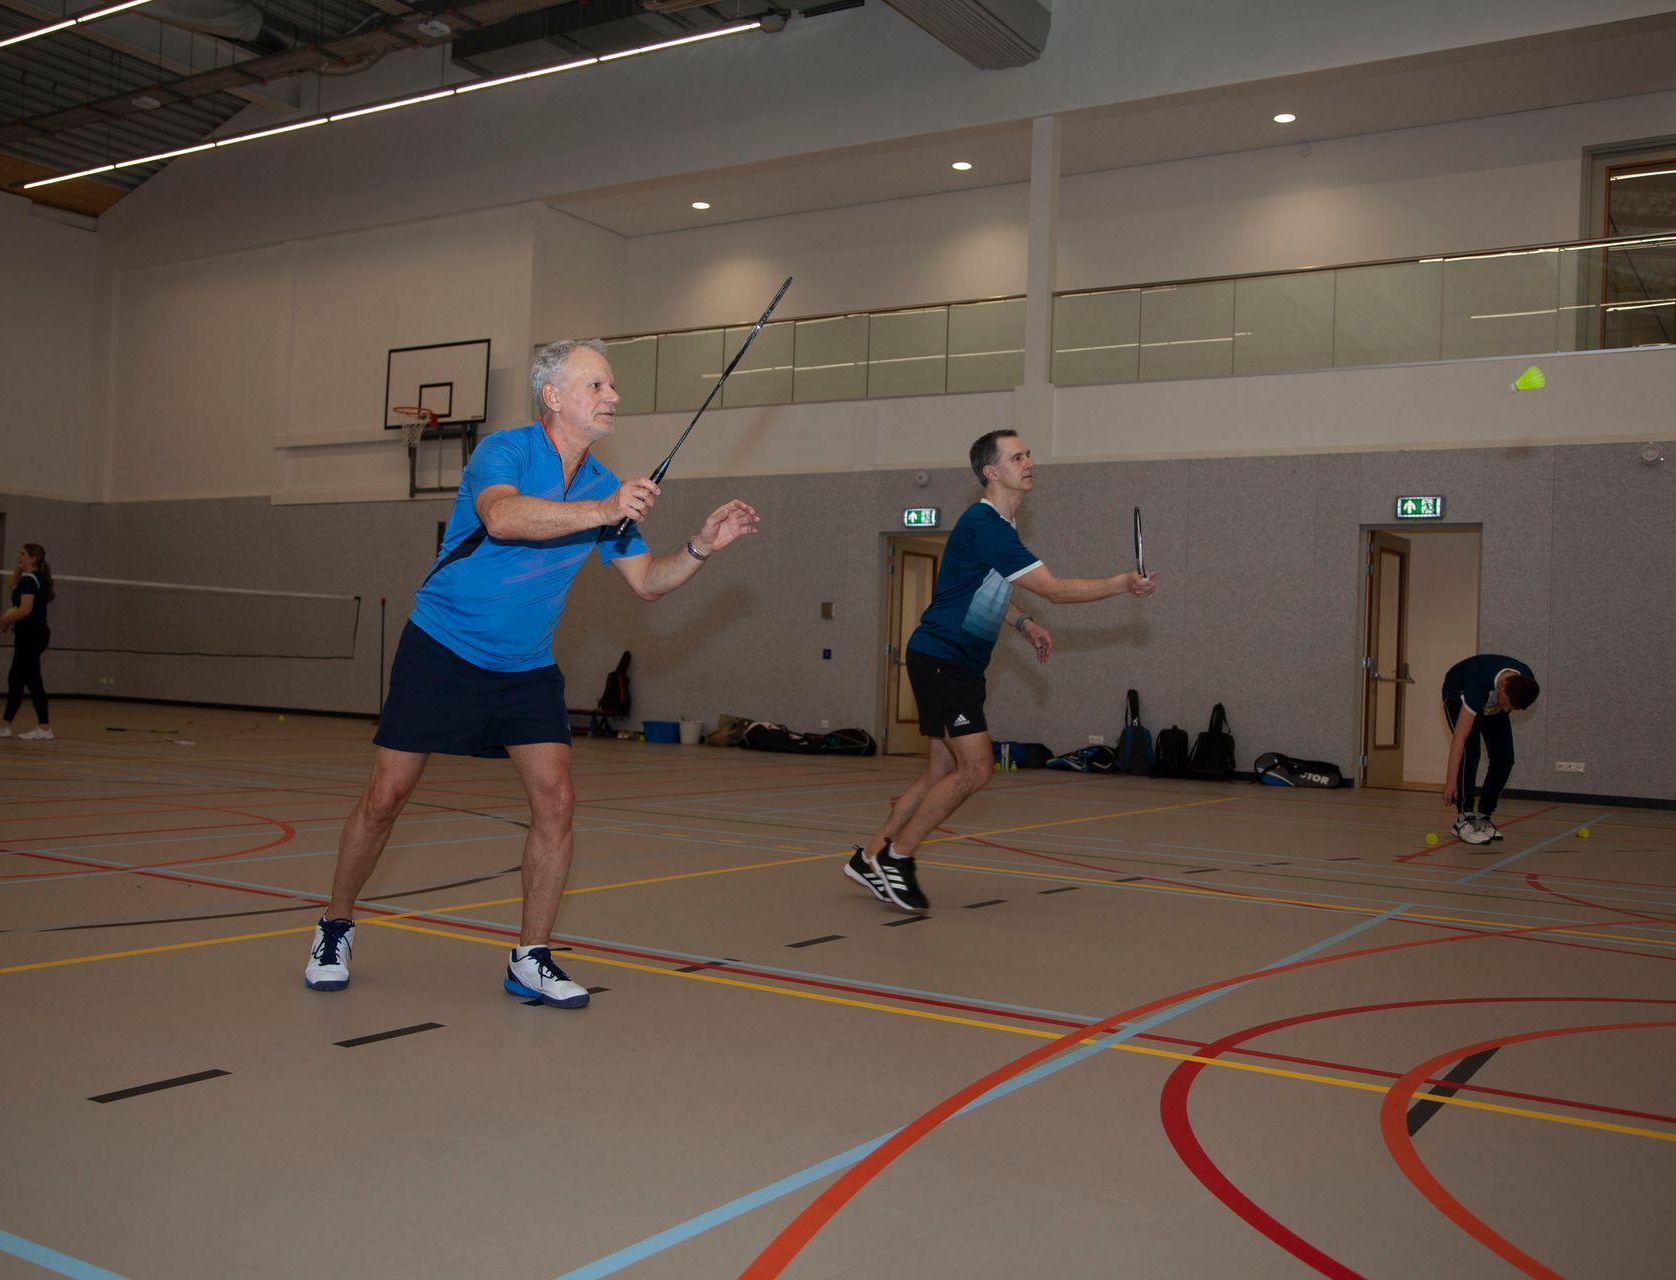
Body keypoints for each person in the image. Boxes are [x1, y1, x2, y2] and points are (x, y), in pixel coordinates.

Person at [304, 338, 760, 1008]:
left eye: (611, 386)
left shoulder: (606, 487)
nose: (614, 397)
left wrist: (700, 547)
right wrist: (605, 513)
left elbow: (648, 584)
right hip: (442, 646)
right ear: (554, 396)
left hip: (524, 666)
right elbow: (504, 517)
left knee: (556, 803)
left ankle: (530, 955)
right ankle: (335, 924)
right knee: (385, 798)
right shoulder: (507, 452)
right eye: (597, 386)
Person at [847, 430, 1157, 912]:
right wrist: (1121, 582)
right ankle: (899, 857)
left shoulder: (997, 529)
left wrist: (1022, 621)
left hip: (955, 660)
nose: (1029, 461)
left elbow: (989, 587)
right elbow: (1054, 589)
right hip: (943, 658)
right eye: (1017, 457)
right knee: (977, 768)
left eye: (1028, 454)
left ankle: (869, 857)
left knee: (942, 769)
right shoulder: (986, 524)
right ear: (991, 472)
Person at [1441, 653, 1540, 845]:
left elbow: (1505, 704)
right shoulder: (1477, 683)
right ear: (1502, 687)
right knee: (1471, 750)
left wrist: (1502, 707)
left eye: (1510, 707)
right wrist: (1450, 782)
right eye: (1507, 704)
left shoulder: (1525, 682)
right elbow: (1459, 738)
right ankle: (1464, 817)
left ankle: (1484, 816)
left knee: (1504, 758)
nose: (1506, 709)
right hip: (1457, 695)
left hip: (1489, 701)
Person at [0, 544, 55, 742]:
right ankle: (6, 725)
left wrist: (4, 620)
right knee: (17, 679)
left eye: (23, 555)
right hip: (27, 635)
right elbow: (11, 585)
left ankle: (44, 727)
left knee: (30, 680)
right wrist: (20, 566)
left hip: (32, 635)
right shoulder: (29, 578)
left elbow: (24, 610)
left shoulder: (31, 580)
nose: (19, 557)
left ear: (34, 557)